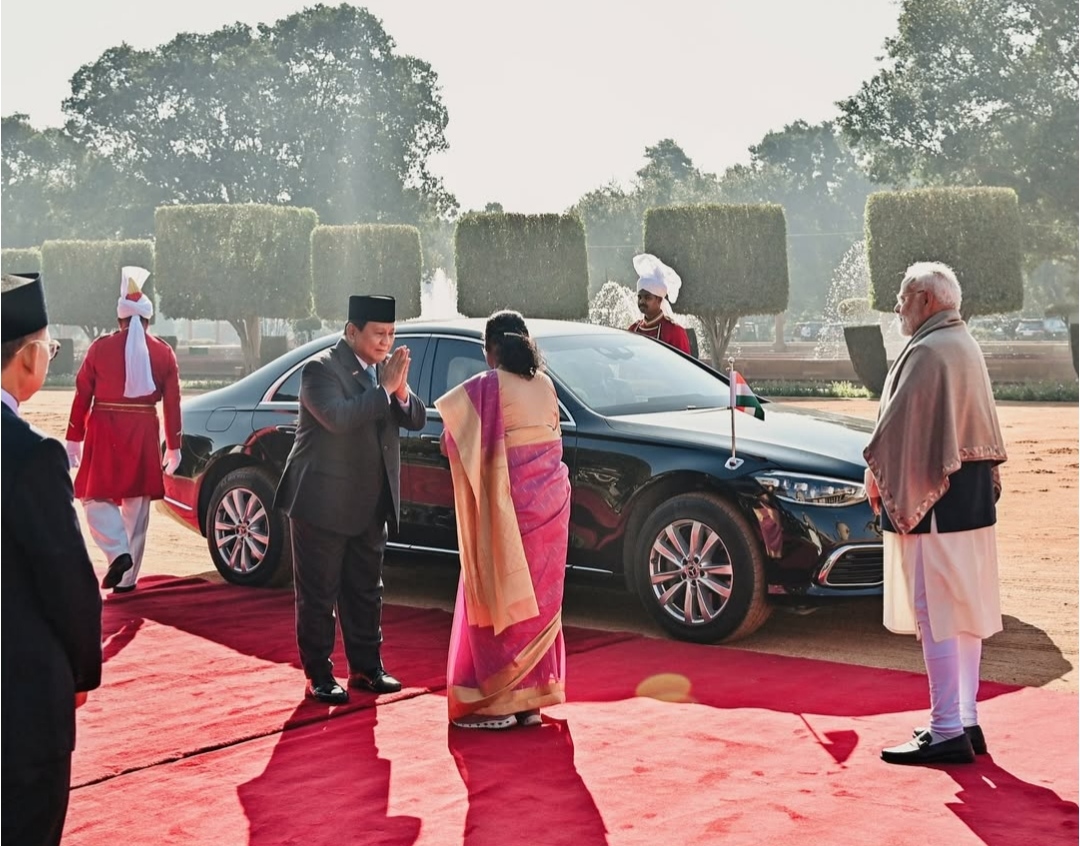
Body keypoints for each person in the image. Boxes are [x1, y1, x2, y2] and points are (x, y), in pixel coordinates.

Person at [864, 261, 1007, 766]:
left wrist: (874, 472)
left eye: (903, 297)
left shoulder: (929, 349)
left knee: (938, 612)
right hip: (966, 496)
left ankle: (946, 728)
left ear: (926, 299)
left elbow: (899, 430)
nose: (898, 306)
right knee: (960, 610)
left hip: (938, 498)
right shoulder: (961, 342)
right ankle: (965, 720)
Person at [274, 294, 426, 704]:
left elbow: (415, 417)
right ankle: (319, 674)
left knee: (366, 591)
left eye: (391, 334)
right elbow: (338, 418)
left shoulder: (384, 373)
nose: (385, 342)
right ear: (351, 331)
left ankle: (366, 668)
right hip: (322, 502)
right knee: (319, 595)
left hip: (369, 501)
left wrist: (399, 392)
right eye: (378, 334)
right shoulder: (320, 370)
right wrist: (386, 389)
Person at [2, 273, 103, 846]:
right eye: (49, 346)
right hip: (18, 706)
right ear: (26, 358)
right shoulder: (30, 454)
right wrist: (81, 672)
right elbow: (69, 582)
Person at [435, 309, 572, 729]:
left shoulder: (487, 386)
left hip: (509, 509)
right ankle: (530, 703)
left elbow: (449, 442)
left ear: (490, 350)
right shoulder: (547, 385)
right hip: (551, 509)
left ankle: (495, 703)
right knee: (537, 606)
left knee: (500, 596)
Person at [65, 266, 182, 594]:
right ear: (147, 319)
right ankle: (127, 581)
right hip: (143, 430)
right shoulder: (163, 352)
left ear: (120, 319)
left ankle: (117, 552)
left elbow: (82, 394)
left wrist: (74, 437)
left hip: (104, 428)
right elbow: (172, 402)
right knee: (137, 507)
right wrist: (174, 445)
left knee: (93, 498)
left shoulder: (99, 349)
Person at [626, 253, 692, 355]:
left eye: (647, 297)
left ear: (659, 300)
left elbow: (684, 366)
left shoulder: (674, 332)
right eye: (639, 297)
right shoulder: (633, 329)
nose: (642, 301)